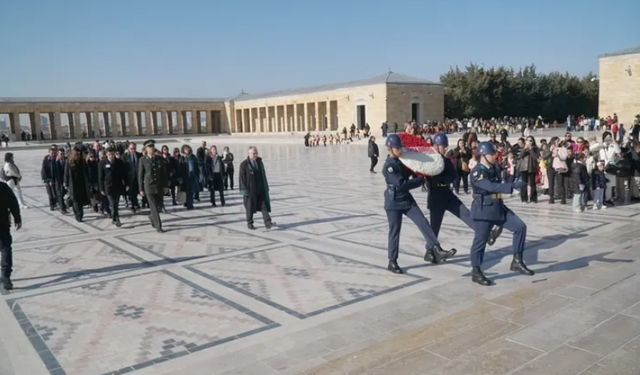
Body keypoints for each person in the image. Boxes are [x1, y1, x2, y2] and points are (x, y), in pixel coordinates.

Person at [382, 134, 456, 274]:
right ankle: (392, 261)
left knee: (423, 222)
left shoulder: (404, 160)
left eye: (400, 147)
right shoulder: (389, 166)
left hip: (406, 199)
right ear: (390, 149)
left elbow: (415, 167)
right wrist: (421, 180)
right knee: (394, 231)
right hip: (393, 201)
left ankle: (436, 249)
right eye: (397, 148)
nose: (400, 150)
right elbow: (402, 183)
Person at [425, 133, 500, 263]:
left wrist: (443, 180)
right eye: (443, 146)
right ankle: (430, 251)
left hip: (447, 194)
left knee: (465, 213)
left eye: (445, 146)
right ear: (436, 146)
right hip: (435, 197)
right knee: (435, 227)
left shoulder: (446, 160)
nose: (445, 148)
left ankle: (487, 234)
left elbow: (453, 175)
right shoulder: (429, 160)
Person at [469, 142, 533, 286]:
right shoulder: (477, 172)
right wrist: (511, 187)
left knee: (520, 227)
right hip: (483, 210)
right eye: (492, 154)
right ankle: (476, 270)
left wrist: (513, 181)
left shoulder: (494, 167)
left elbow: (499, 183)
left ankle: (517, 260)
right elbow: (490, 186)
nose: (494, 156)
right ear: (483, 155)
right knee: (480, 241)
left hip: (498, 206)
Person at [239, 146, 275, 230]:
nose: (255, 155)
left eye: (256, 153)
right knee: (249, 207)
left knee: (264, 206)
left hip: (260, 189)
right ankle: (250, 223)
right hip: (250, 190)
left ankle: (268, 222)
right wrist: (245, 191)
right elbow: (242, 178)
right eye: (253, 153)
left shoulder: (259, 162)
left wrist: (265, 186)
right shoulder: (244, 164)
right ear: (249, 154)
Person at [138, 140, 169, 232]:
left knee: (159, 206)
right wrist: (141, 189)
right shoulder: (142, 160)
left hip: (158, 186)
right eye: (150, 147)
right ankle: (158, 226)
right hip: (149, 187)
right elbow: (140, 175)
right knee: (154, 207)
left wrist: (165, 186)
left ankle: (152, 217)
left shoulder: (159, 159)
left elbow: (164, 173)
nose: (152, 148)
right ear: (146, 149)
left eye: (153, 147)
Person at [99, 147, 128, 227]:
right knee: (112, 203)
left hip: (118, 186)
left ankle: (114, 218)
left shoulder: (119, 162)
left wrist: (126, 184)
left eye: (112, 154)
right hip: (108, 187)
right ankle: (117, 218)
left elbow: (124, 174)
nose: (111, 156)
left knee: (116, 203)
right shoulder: (102, 163)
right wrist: (101, 188)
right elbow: (101, 177)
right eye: (109, 154)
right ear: (106, 154)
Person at [0, 182, 21, 290]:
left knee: (5, 248)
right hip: (2, 223)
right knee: (5, 248)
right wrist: (17, 218)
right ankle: (5, 274)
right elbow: (13, 203)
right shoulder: (2, 187)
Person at [64, 147, 92, 222]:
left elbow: (86, 172)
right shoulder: (69, 162)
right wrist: (65, 183)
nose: (78, 156)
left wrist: (89, 182)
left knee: (80, 200)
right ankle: (78, 214)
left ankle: (80, 214)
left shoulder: (82, 162)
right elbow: (66, 173)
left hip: (81, 184)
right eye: (77, 154)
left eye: (79, 154)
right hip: (72, 184)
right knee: (75, 200)